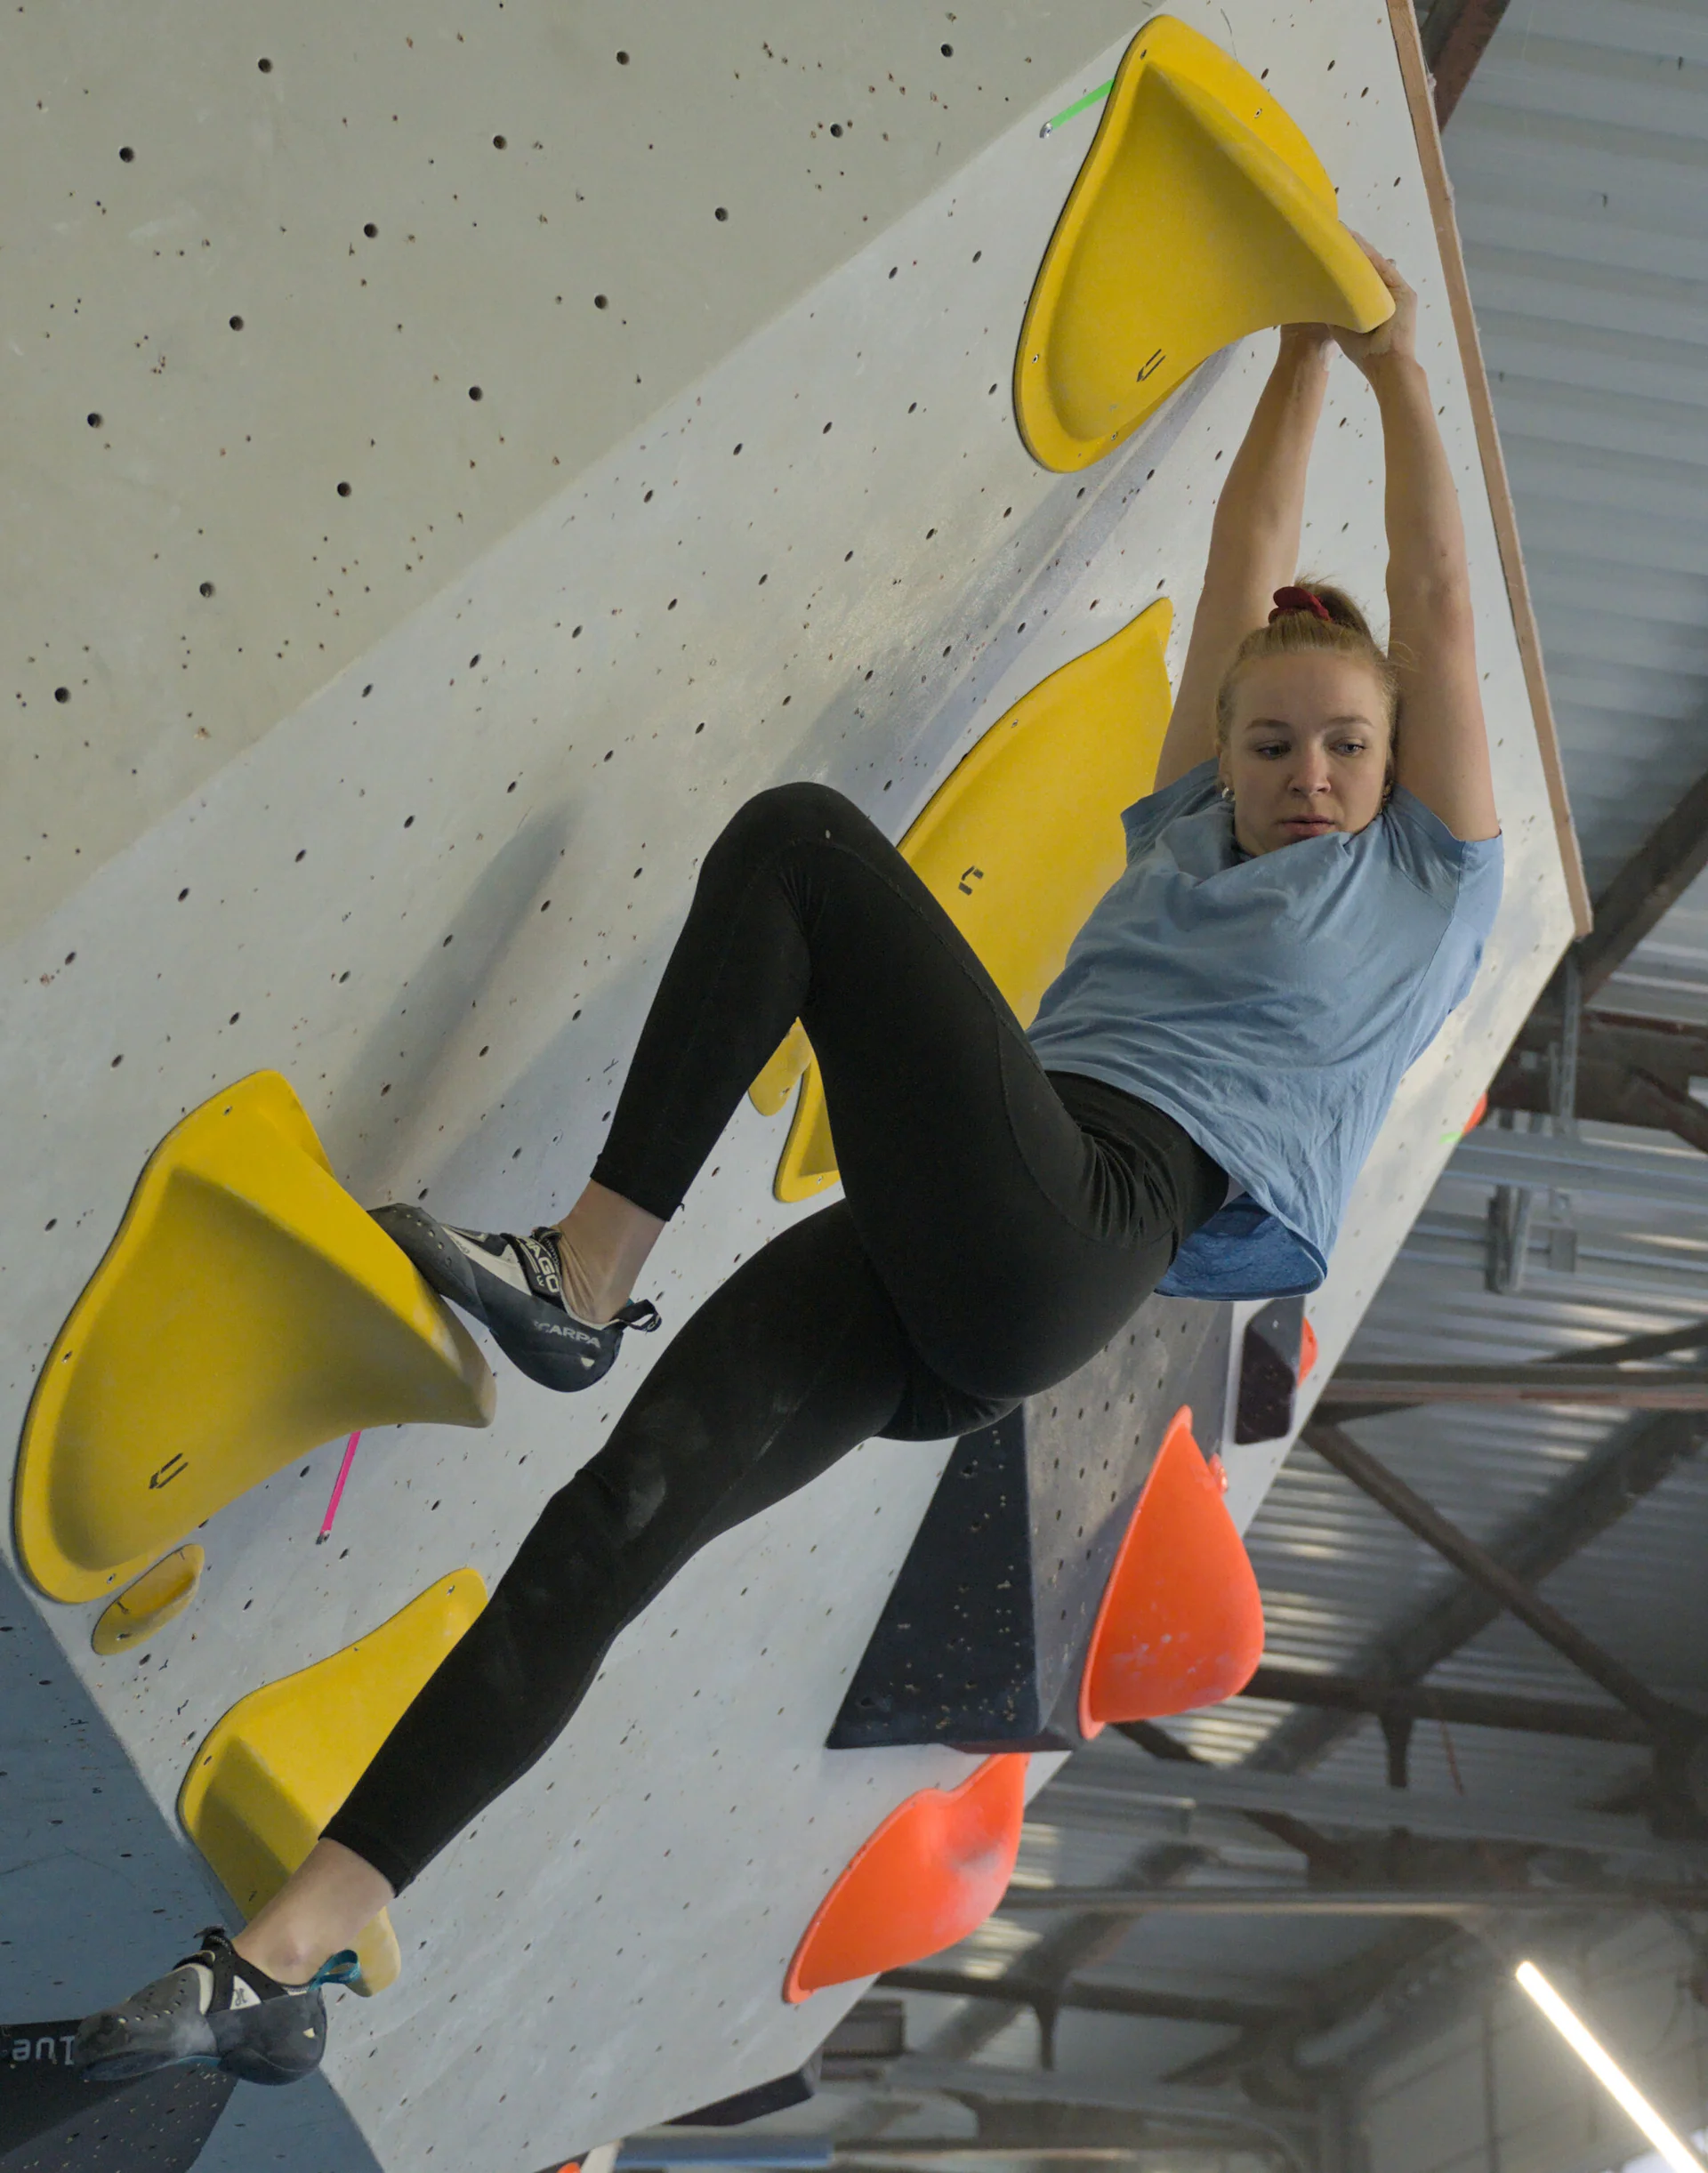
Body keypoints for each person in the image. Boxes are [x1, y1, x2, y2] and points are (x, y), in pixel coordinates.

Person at [74, 242, 1501, 2085]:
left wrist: (1389, 362)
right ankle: (277, 1966)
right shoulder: (1186, 834)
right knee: (611, 1529)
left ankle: (584, 1275)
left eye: (1347, 746)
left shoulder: (1420, 887)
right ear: (1222, 750)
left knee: (808, 849)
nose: (1309, 770)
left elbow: (1439, 601)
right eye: (1274, 739)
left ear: (1398, 764)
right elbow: (1247, 560)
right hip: (951, 1282)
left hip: (1090, 1224)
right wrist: (1295, 344)